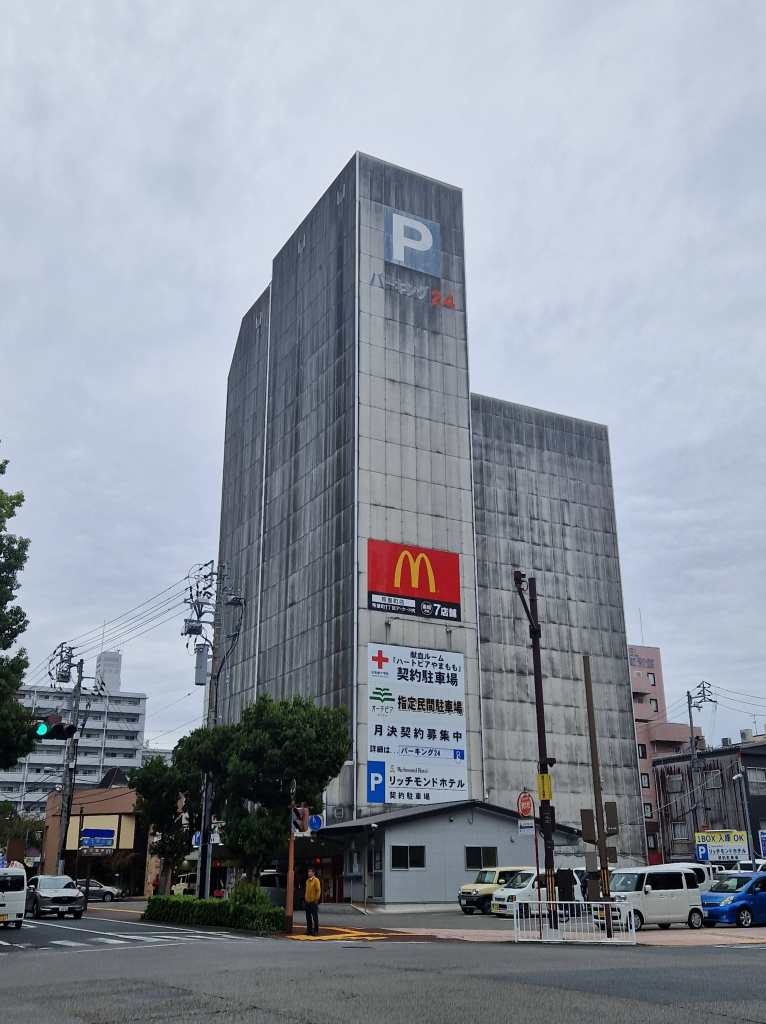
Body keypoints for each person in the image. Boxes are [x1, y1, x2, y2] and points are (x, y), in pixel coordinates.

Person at [304, 868, 321, 936]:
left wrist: (316, 899)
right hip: (307, 901)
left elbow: (318, 890)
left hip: (313, 901)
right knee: (308, 917)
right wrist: (305, 898)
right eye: (308, 872)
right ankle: (309, 930)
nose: (309, 873)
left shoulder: (316, 880)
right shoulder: (307, 881)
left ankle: (316, 930)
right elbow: (306, 890)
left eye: (310, 872)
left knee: (314, 917)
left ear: (313, 873)